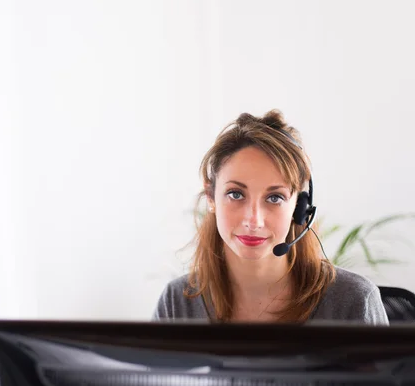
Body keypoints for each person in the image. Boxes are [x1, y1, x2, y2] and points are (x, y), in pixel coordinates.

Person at [152, 110, 389, 325]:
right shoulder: (177, 303)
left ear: (299, 206)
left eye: (274, 198)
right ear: (211, 197)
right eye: (236, 194)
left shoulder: (353, 302)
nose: (253, 221)